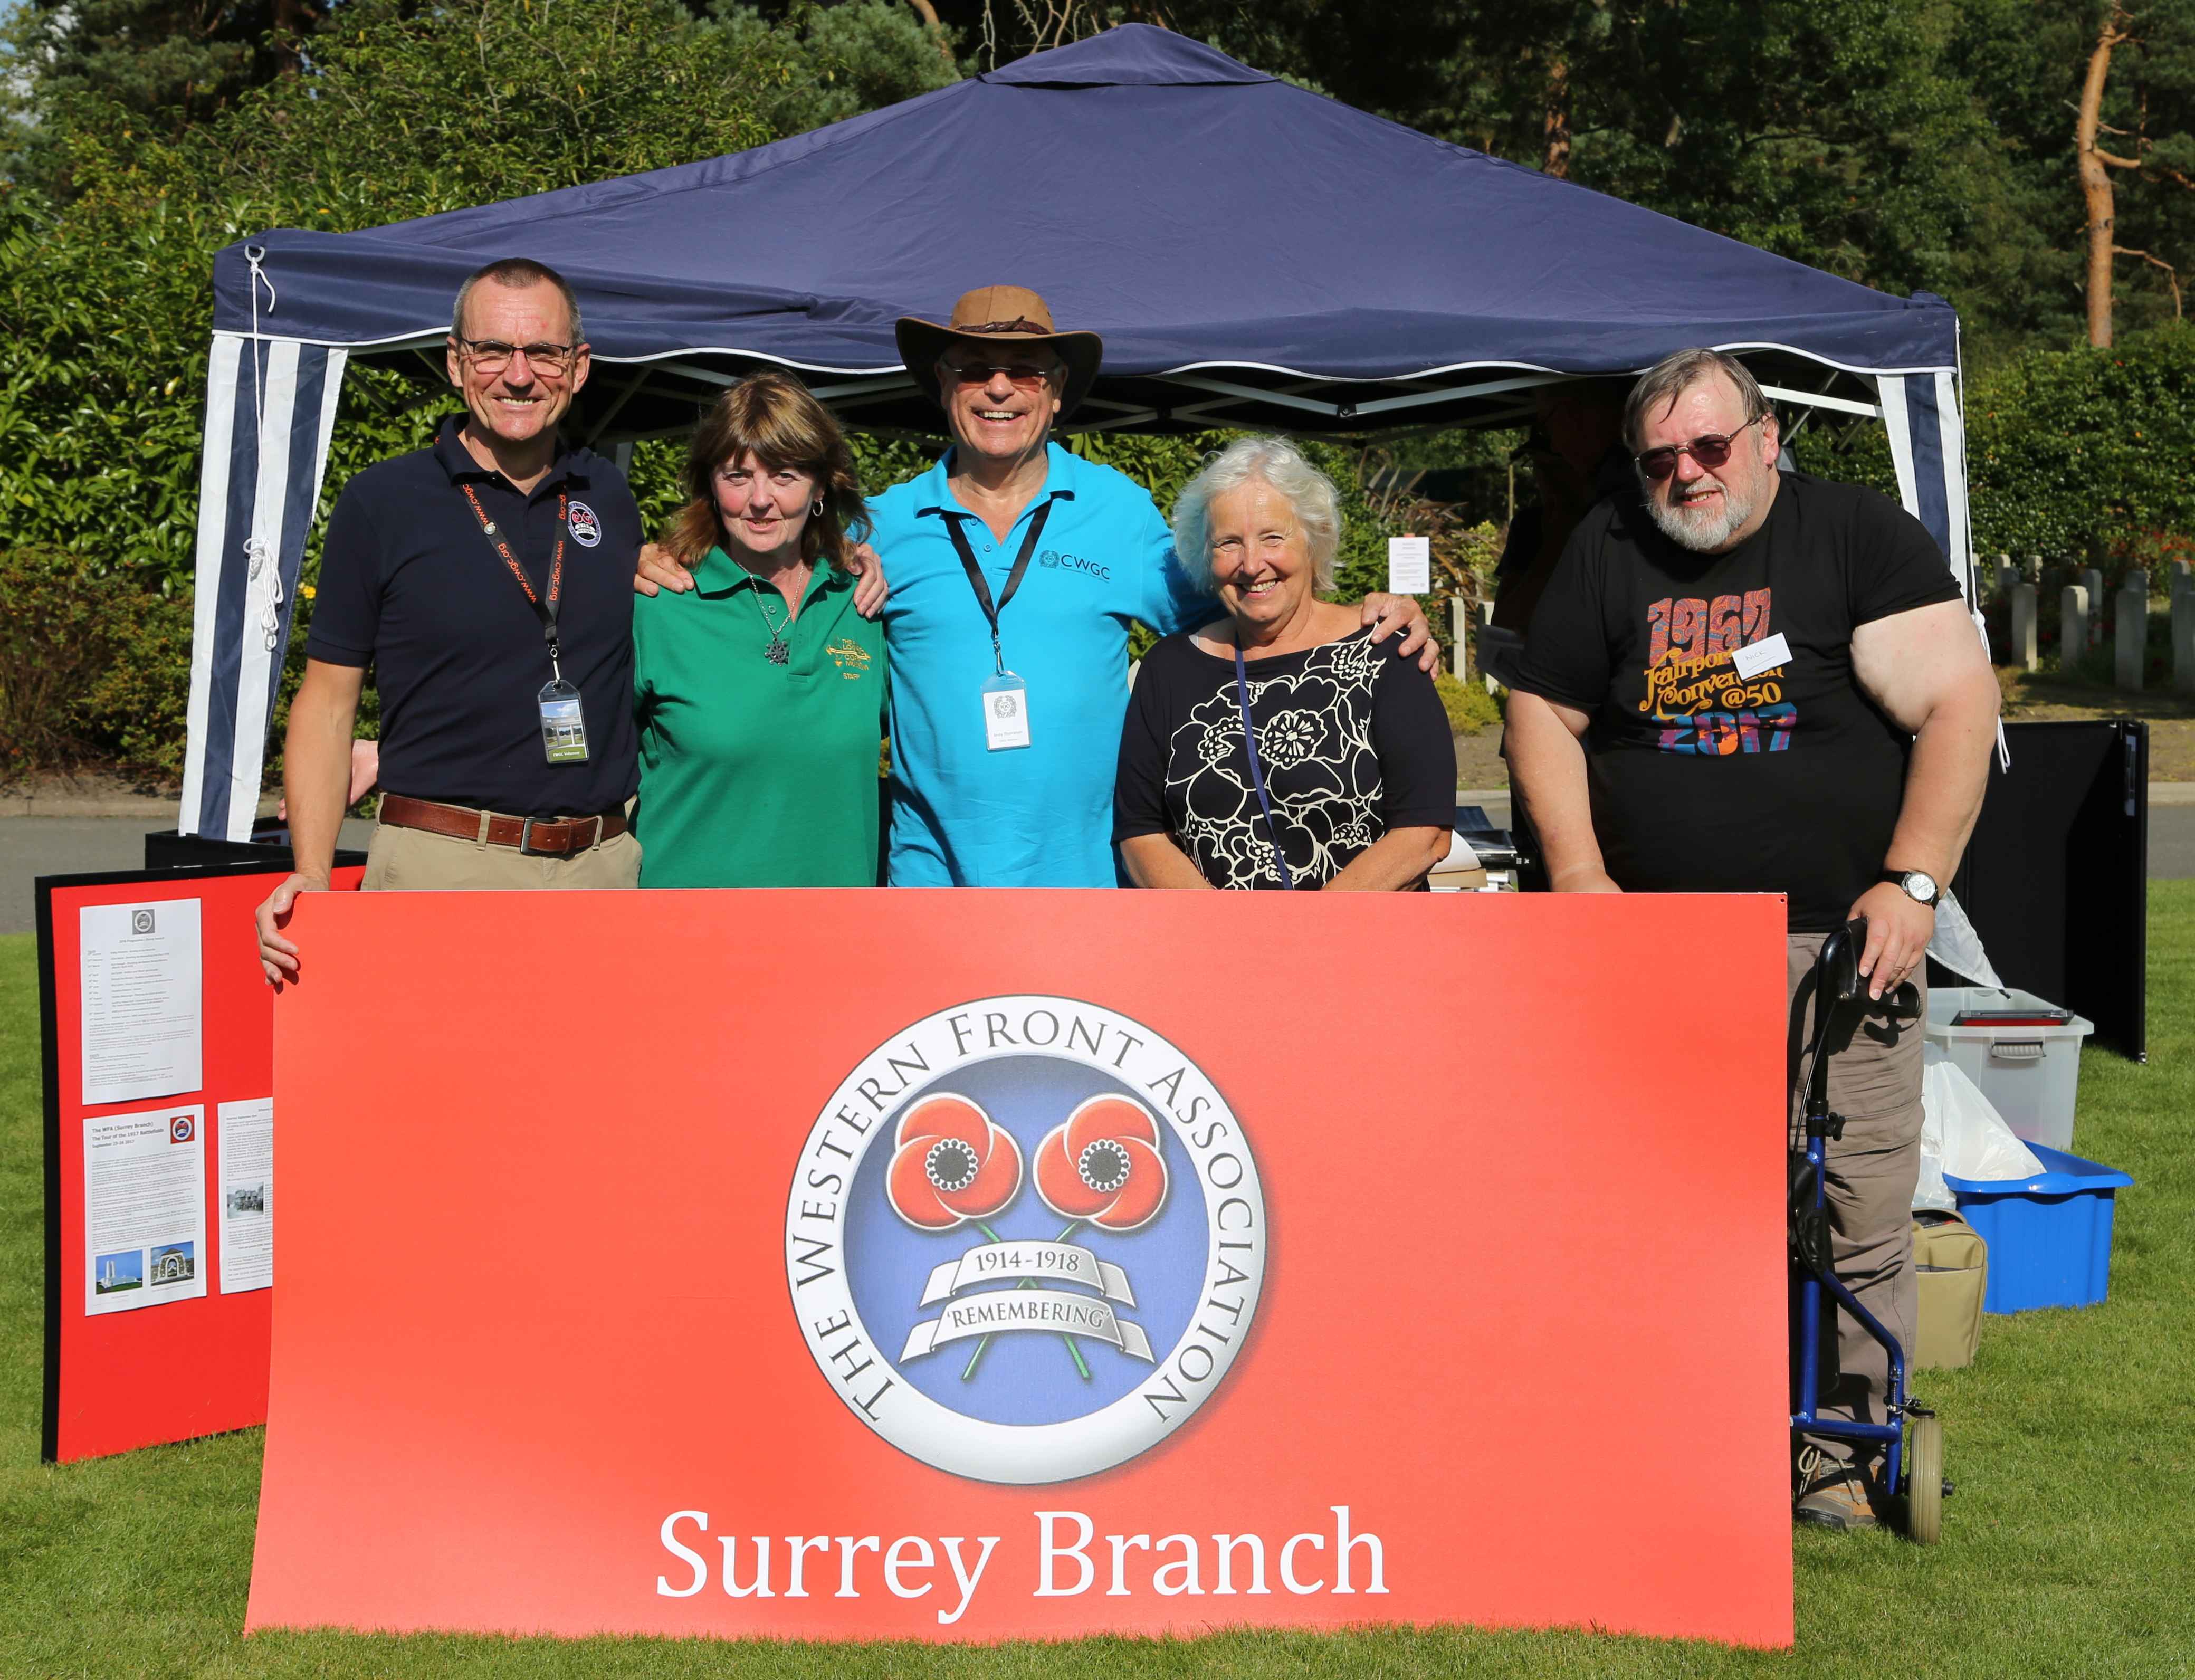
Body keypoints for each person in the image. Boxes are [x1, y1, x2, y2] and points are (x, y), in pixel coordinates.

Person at [1502, 348, 2000, 1531]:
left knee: (1852, 1196)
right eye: (1660, 456)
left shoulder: (1855, 538)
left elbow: (1958, 702)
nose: (1686, 473)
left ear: (1767, 438)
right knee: (1662, 1194)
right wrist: (1576, 872)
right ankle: (1671, 1421)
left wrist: (1913, 881)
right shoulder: (1609, 547)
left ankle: (1835, 1444)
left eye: (1710, 447)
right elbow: (1542, 705)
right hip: (1657, 954)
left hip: (1836, 943)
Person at [639, 284, 1439, 886]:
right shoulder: (876, 529)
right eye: (974, 370)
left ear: (1055, 392)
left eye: (1022, 371)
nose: (998, 389)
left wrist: (1365, 613)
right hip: (928, 887)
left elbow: (1253, 610)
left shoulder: (1118, 511)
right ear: (943, 388)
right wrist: (660, 550)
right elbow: (761, 547)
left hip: (1090, 885)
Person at [257, 257, 644, 987]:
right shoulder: (383, 503)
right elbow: (327, 702)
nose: (519, 375)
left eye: (544, 353)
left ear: (580, 366)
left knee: (590, 1101)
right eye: (493, 350)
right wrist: (310, 871)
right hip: (445, 869)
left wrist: (840, 549)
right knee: (441, 1100)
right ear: (456, 364)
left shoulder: (609, 494)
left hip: (603, 871)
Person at [1114, 438, 1456, 890]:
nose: (1252, 564)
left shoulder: (1383, 651)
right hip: (1218, 951)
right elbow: (1140, 833)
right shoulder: (1170, 670)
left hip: (1368, 947)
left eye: (1273, 538)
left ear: (1314, 541)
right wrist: (1223, 940)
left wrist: (1305, 939)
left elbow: (1426, 832)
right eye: (1229, 543)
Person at [632, 372, 887, 886]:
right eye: (737, 475)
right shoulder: (660, 602)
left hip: (837, 938)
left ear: (820, 483)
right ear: (709, 482)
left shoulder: (861, 602)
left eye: (784, 475)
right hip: (690, 935)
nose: (760, 499)